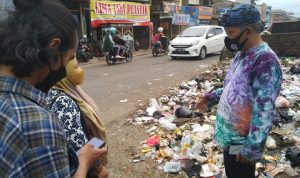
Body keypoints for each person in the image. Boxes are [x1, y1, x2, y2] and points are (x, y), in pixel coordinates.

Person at [0, 0, 106, 177]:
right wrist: (83, 163)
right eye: (69, 57)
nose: (68, 66)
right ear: (53, 47)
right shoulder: (36, 125)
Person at [196, 4, 282, 178]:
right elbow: (234, 88)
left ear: (248, 31)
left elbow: (264, 109)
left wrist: (252, 147)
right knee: (232, 171)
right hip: (230, 138)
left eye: (230, 33)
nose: (228, 38)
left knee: (239, 174)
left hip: (242, 143)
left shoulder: (265, 60)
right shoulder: (243, 54)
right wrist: (211, 97)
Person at [47, 58, 108, 178]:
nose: (80, 71)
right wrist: (99, 168)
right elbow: (79, 144)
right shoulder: (63, 101)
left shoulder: (66, 90)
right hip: (84, 169)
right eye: (75, 67)